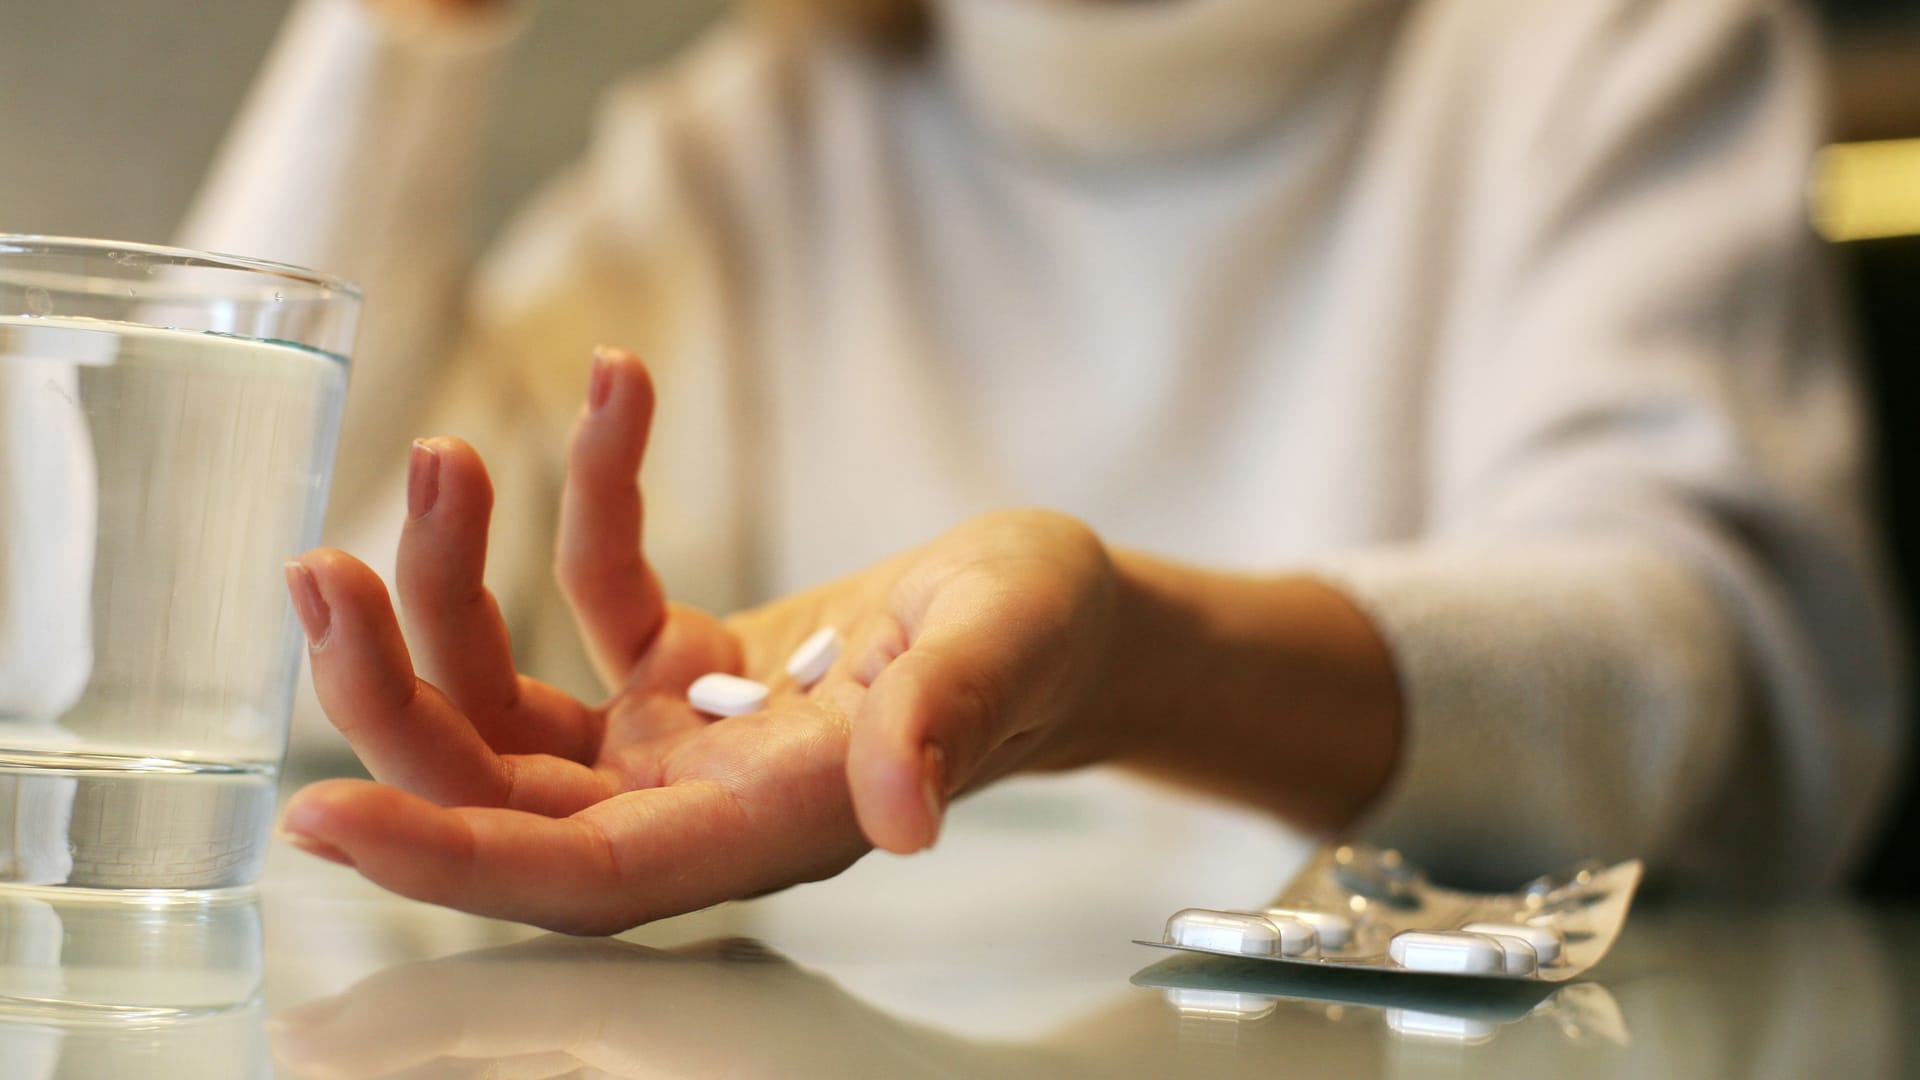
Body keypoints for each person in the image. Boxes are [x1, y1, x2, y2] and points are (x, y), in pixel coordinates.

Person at [184, 0, 1903, 934]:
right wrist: (398, 27)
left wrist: (1134, 664)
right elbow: (240, 603)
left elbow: (1723, 669)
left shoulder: (1595, 43)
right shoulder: (768, 129)